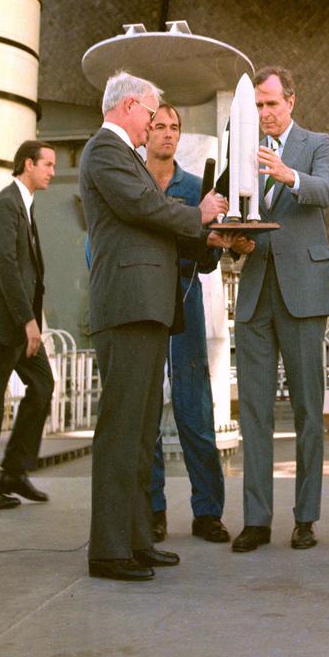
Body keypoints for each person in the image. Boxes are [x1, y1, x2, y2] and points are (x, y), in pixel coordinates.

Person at [80, 72, 228, 581]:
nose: (152, 124)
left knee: (142, 433)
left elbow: (151, 224)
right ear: (127, 106)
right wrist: (198, 214)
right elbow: (143, 208)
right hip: (127, 305)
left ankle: (137, 539)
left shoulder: (123, 156)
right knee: (122, 429)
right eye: (149, 113)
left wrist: (208, 238)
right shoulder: (104, 151)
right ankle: (109, 550)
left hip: (146, 305)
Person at [231, 66, 329, 553]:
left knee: (307, 410)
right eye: (257, 106)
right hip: (255, 291)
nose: (264, 114)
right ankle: (256, 520)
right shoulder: (242, 149)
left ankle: (305, 517)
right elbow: (232, 210)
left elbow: (328, 191)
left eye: (271, 104)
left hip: (303, 291)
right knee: (253, 411)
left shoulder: (317, 143)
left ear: (291, 102)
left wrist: (288, 175)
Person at [143, 105, 252, 545]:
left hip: (184, 308)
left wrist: (219, 244)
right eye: (159, 127)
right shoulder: (133, 183)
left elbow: (206, 262)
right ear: (145, 132)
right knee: (147, 413)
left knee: (196, 412)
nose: (167, 135)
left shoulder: (195, 187)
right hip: (144, 307)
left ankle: (207, 511)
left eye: (174, 128)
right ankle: (152, 508)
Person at [0, 141, 57, 510]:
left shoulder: (24, 205)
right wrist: (28, 321)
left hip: (19, 325)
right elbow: (6, 267)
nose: (52, 171)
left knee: (43, 384)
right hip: (5, 324)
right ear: (27, 165)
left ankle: (14, 471)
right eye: (47, 164)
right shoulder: (6, 205)